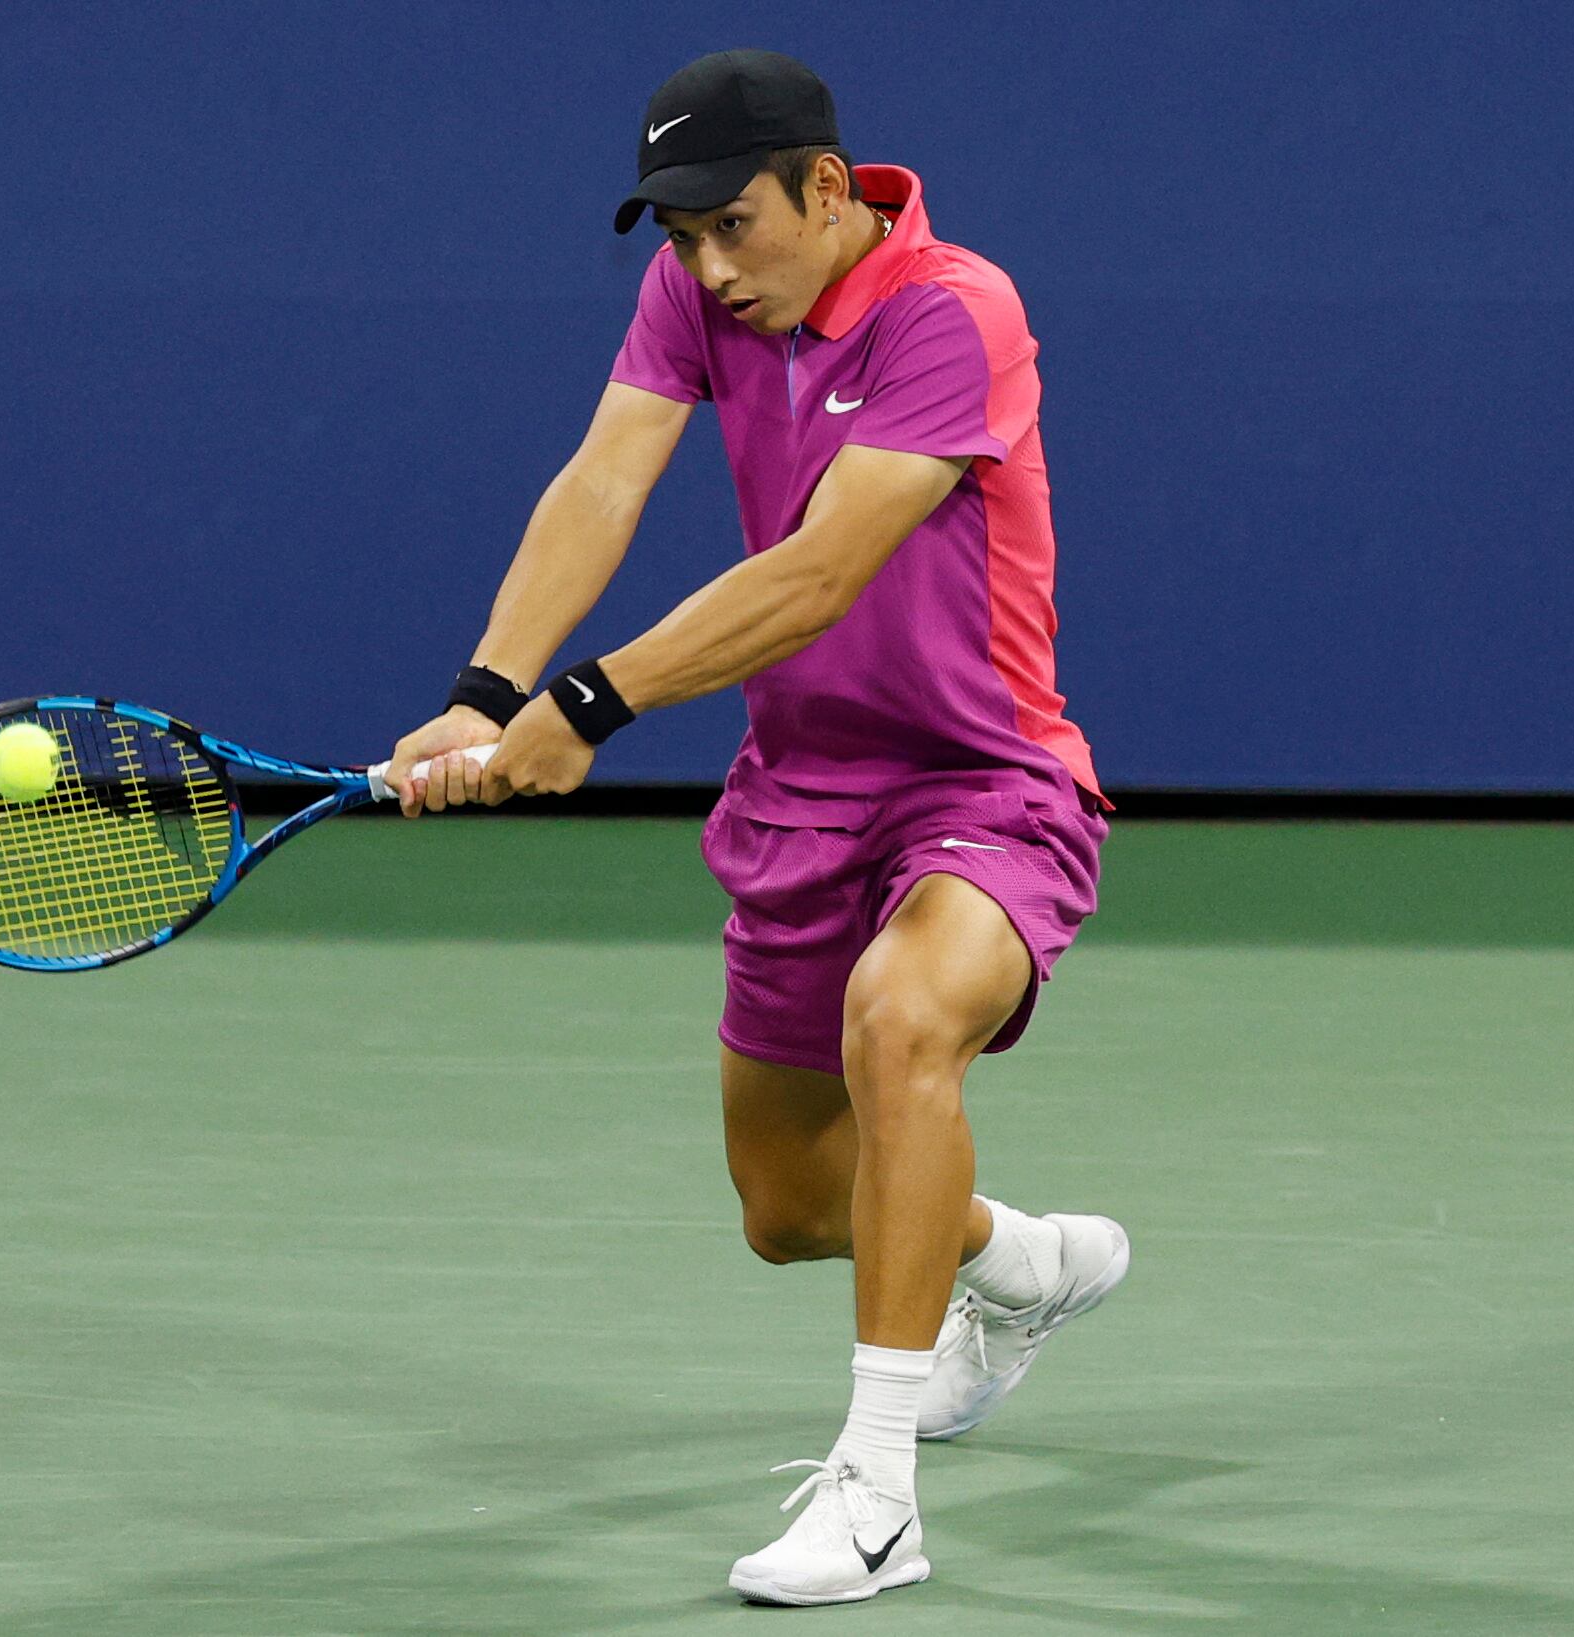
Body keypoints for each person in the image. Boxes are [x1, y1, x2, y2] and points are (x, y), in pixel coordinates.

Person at [383, 48, 1128, 1607]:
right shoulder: (698, 297)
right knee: (791, 1210)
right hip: (800, 789)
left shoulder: (952, 310)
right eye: (681, 239)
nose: (712, 267)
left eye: (735, 225)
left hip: (984, 778)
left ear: (828, 188)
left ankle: (878, 1494)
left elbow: (818, 570)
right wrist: (482, 689)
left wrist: (584, 707)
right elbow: (604, 478)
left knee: (902, 1016)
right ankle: (1021, 1260)